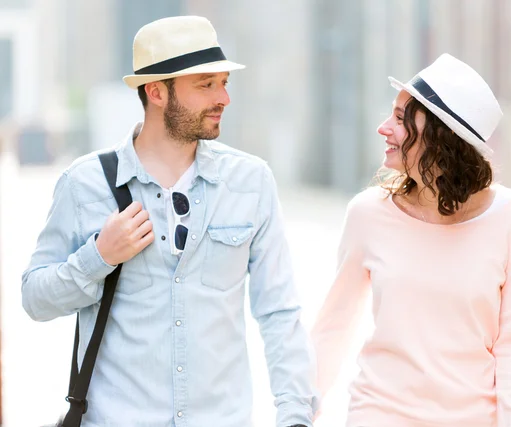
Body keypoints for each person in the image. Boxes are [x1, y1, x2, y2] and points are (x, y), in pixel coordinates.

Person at [22, 16, 316, 427]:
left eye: (223, 83)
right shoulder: (84, 183)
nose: (223, 99)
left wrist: (296, 414)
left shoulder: (251, 182)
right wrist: (98, 257)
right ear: (157, 92)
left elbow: (280, 311)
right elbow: (34, 299)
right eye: (205, 84)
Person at [311, 53, 511, 427]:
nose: (383, 128)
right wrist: (297, 412)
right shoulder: (368, 214)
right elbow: (333, 327)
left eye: (400, 119)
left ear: (440, 136)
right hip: (378, 415)